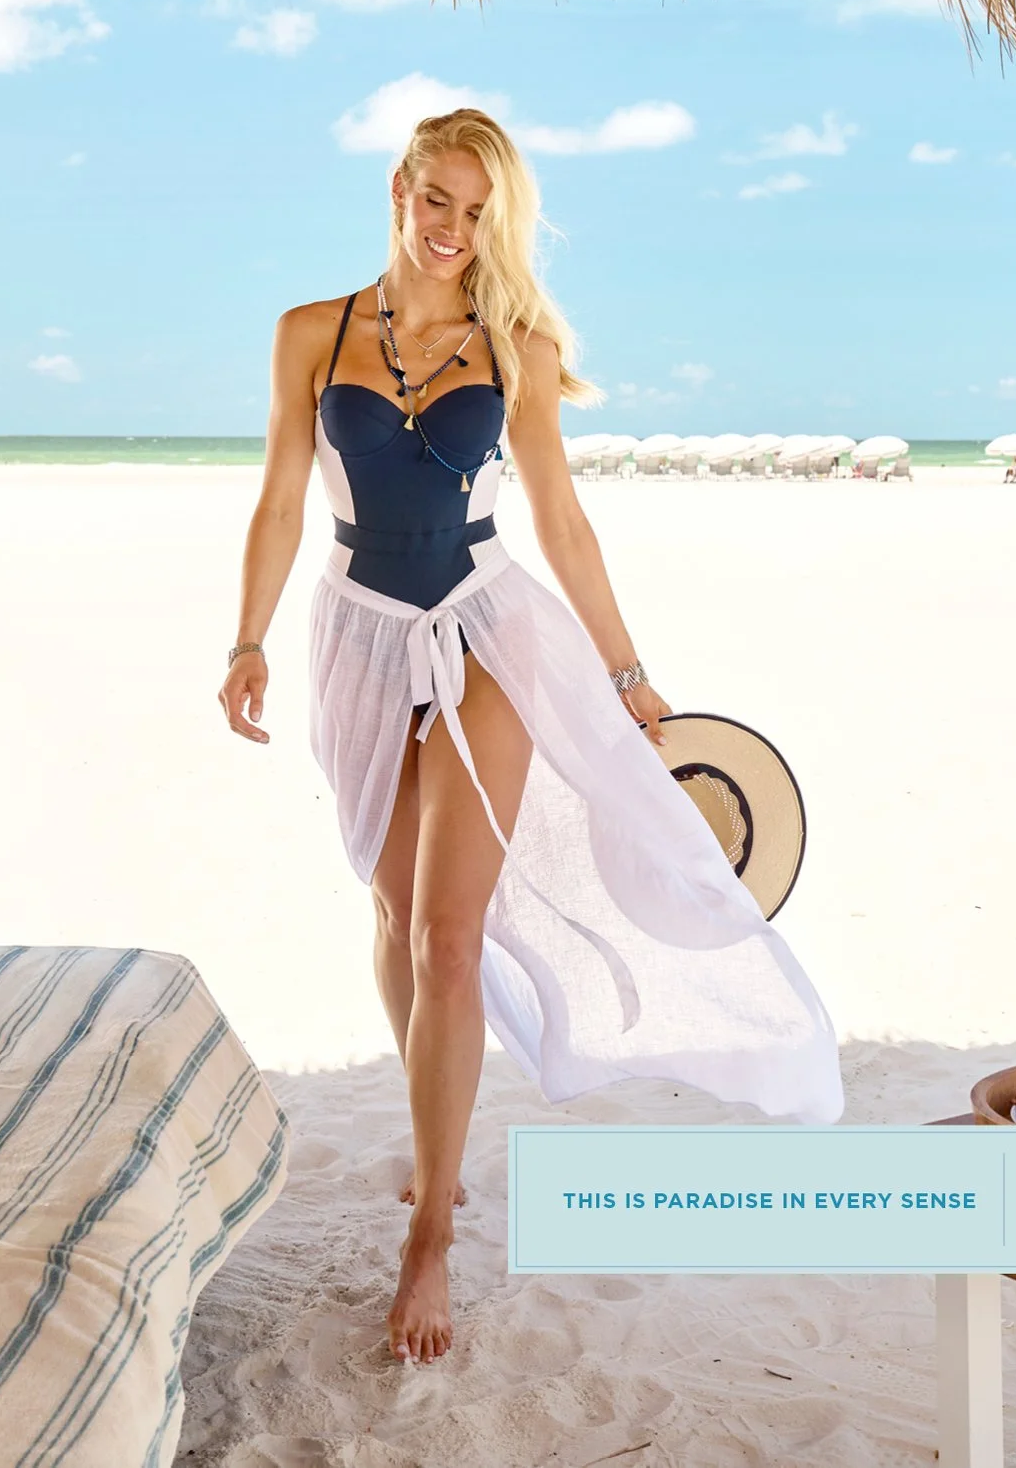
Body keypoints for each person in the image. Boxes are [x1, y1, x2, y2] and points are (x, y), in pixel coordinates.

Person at [217, 109, 841, 1366]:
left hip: (486, 630)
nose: (452, 231)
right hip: (355, 633)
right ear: (398, 191)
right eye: (436, 201)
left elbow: (559, 517)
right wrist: (246, 637)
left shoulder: (519, 349)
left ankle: (433, 1231)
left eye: (477, 214)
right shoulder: (308, 333)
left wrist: (626, 669)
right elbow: (282, 495)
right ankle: (424, 1122)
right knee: (392, 918)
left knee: (450, 935)